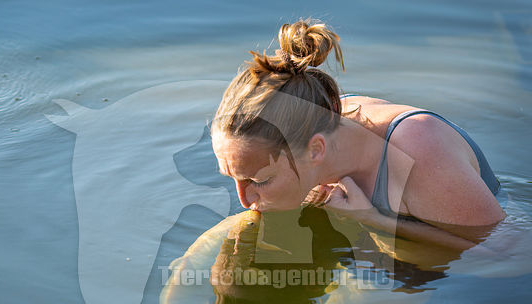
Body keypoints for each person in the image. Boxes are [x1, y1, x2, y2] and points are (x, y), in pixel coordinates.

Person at [210, 19, 506, 256]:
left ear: (316, 151)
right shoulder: (315, 112)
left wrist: (373, 220)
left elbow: (509, 251)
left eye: (260, 180)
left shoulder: (419, 146)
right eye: (231, 177)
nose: (243, 199)